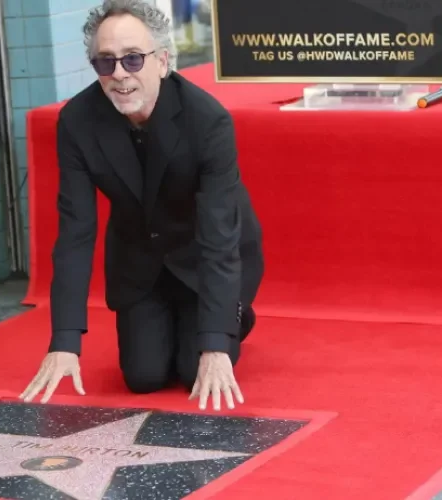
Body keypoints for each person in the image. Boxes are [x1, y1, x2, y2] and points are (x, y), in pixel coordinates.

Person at [20, 0, 264, 411]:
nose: (119, 75)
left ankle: (237, 316)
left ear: (163, 61)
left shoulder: (207, 121)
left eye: (133, 59)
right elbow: (76, 232)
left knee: (195, 367)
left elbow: (219, 237)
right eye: (105, 63)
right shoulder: (78, 122)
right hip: (140, 260)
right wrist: (64, 342)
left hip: (204, 259)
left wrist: (217, 342)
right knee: (144, 377)